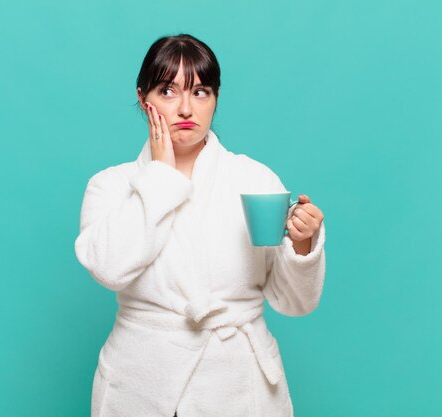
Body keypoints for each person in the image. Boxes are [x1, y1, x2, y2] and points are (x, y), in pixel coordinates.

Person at [74, 33, 326, 417]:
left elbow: (294, 301)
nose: (186, 109)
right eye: (168, 91)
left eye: (201, 92)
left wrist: (303, 246)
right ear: (144, 100)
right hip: (141, 381)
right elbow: (109, 269)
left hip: (238, 383)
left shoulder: (255, 180)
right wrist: (159, 176)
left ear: (216, 98)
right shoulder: (110, 185)